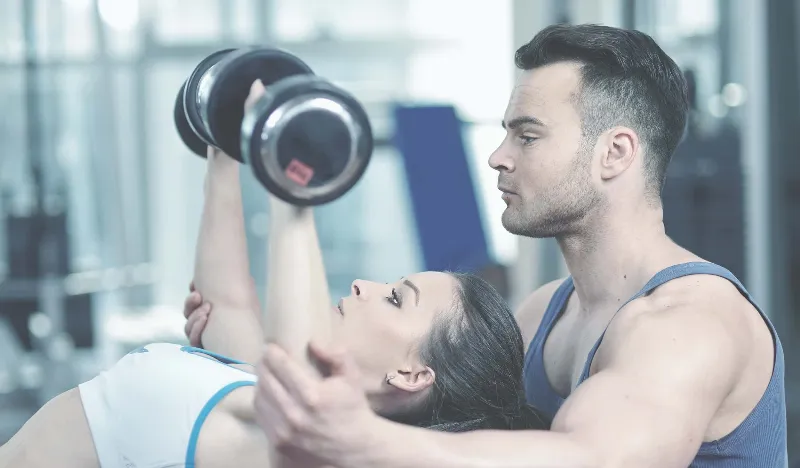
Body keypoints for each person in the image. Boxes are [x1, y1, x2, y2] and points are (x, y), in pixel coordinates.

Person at [246, 24, 787, 467]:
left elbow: (592, 458)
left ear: (615, 153)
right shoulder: (541, 313)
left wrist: (362, 439)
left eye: (527, 136)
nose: (498, 157)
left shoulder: (689, 323)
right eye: (505, 133)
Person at [0, 81, 547, 468]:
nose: (364, 285)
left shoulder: (309, 442)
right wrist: (226, 145)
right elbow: (228, 299)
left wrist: (296, 188)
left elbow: (301, 368)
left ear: (411, 375)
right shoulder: (266, 382)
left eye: (395, 300)